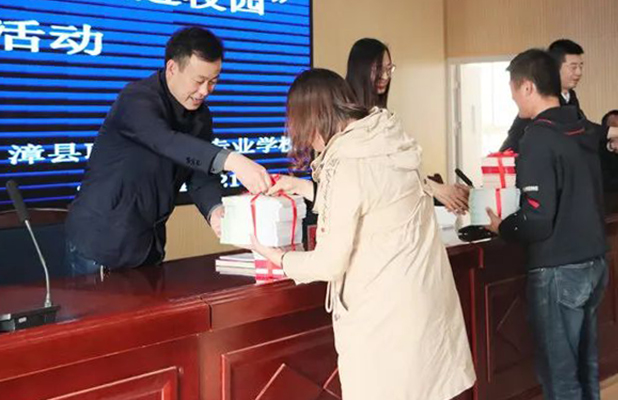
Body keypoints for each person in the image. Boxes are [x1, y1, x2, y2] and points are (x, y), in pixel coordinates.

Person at [251, 69, 476, 400]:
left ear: (314, 117)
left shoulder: (347, 164)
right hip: (424, 306)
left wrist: (280, 259)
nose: (305, 139)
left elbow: (329, 262)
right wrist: (302, 186)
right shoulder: (388, 142)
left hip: (382, 319)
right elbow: (375, 202)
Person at [65, 27, 270, 275]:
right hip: (102, 242)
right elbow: (165, 141)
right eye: (199, 81)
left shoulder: (201, 116)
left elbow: (200, 176)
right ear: (172, 68)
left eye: (213, 81)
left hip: (148, 243)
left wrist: (215, 211)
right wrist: (233, 160)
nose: (205, 91)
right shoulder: (136, 99)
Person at [485, 49, 608, 400]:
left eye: (513, 90)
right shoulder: (581, 126)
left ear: (527, 87)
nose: (513, 99)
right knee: (586, 369)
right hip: (594, 260)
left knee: (560, 377)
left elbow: (537, 221)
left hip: (559, 268)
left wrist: (503, 227)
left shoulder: (538, 136)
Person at [346, 37, 470, 214]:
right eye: (378, 70)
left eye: (389, 69)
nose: (385, 77)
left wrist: (440, 191)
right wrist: (434, 189)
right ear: (361, 70)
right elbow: (380, 173)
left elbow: (400, 169)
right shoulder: (348, 119)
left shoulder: (383, 116)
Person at [500, 38, 618, 153]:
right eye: (573, 67)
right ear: (555, 68)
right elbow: (579, 127)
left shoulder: (570, 96)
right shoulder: (545, 100)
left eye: (581, 66)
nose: (579, 72)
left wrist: (612, 145)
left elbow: (581, 134)